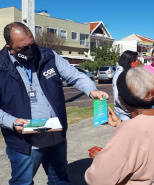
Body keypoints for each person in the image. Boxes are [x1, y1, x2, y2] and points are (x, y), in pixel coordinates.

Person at [0, 22, 109, 185]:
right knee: (22, 182)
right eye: (24, 48)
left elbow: (75, 76)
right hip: (25, 144)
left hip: (55, 136)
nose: (31, 50)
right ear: (9, 48)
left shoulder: (47, 55)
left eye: (32, 44)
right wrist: (11, 122)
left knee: (59, 180)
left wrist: (91, 90)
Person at [85, 67, 154, 185]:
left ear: (123, 100)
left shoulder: (130, 130)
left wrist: (100, 159)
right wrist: (119, 123)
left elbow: (96, 180)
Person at [112, 50, 138, 120]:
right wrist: (129, 110)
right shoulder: (120, 75)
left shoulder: (127, 72)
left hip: (128, 112)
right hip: (124, 114)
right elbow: (118, 96)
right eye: (135, 60)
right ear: (128, 61)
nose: (136, 62)